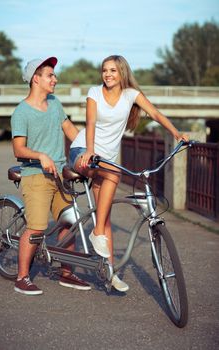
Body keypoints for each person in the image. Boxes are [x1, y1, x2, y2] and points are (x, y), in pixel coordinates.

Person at [69, 55, 189, 292]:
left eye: (113, 70)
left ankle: (109, 273)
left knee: (105, 218)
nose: (108, 74)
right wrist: (90, 151)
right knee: (113, 176)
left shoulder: (131, 95)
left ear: (122, 72)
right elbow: (90, 123)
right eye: (104, 70)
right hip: (84, 151)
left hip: (105, 160)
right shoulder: (94, 92)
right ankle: (95, 234)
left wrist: (177, 134)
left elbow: (155, 114)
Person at [11, 56, 91, 295]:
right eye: (50, 75)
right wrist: (41, 156)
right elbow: (18, 149)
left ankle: (67, 273)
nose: (55, 79)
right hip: (35, 175)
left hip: (60, 176)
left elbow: (69, 130)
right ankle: (22, 277)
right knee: (36, 227)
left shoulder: (55, 103)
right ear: (36, 79)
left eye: (54, 75)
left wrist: (88, 150)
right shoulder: (21, 112)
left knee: (70, 221)